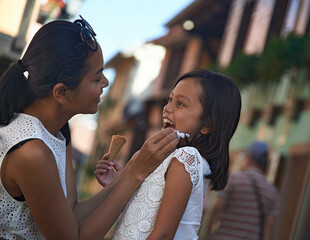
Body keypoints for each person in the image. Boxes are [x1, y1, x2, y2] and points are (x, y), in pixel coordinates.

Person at [0, 16, 179, 239]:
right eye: (96, 78)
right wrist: (136, 173)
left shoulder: (58, 131)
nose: (105, 82)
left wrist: (133, 166)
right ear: (62, 92)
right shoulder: (31, 152)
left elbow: (71, 215)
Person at [94, 69, 242, 239]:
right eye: (170, 99)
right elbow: (143, 215)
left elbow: (163, 235)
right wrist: (118, 183)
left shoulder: (187, 157)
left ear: (207, 125)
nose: (166, 108)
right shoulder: (170, 159)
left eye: (180, 104)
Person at [204, 141, 279, 240]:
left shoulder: (234, 179)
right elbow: (269, 228)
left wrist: (208, 234)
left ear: (248, 158)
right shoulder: (272, 192)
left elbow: (217, 208)